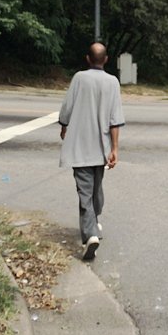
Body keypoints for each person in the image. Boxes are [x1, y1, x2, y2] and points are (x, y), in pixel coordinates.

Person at [58, 42, 125, 260]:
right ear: (105, 60)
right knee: (96, 188)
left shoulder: (79, 78)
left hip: (80, 146)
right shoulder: (113, 82)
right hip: (101, 147)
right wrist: (115, 148)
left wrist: (64, 124)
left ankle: (90, 235)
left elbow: (67, 107)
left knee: (84, 192)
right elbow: (115, 119)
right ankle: (95, 222)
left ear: (88, 58)